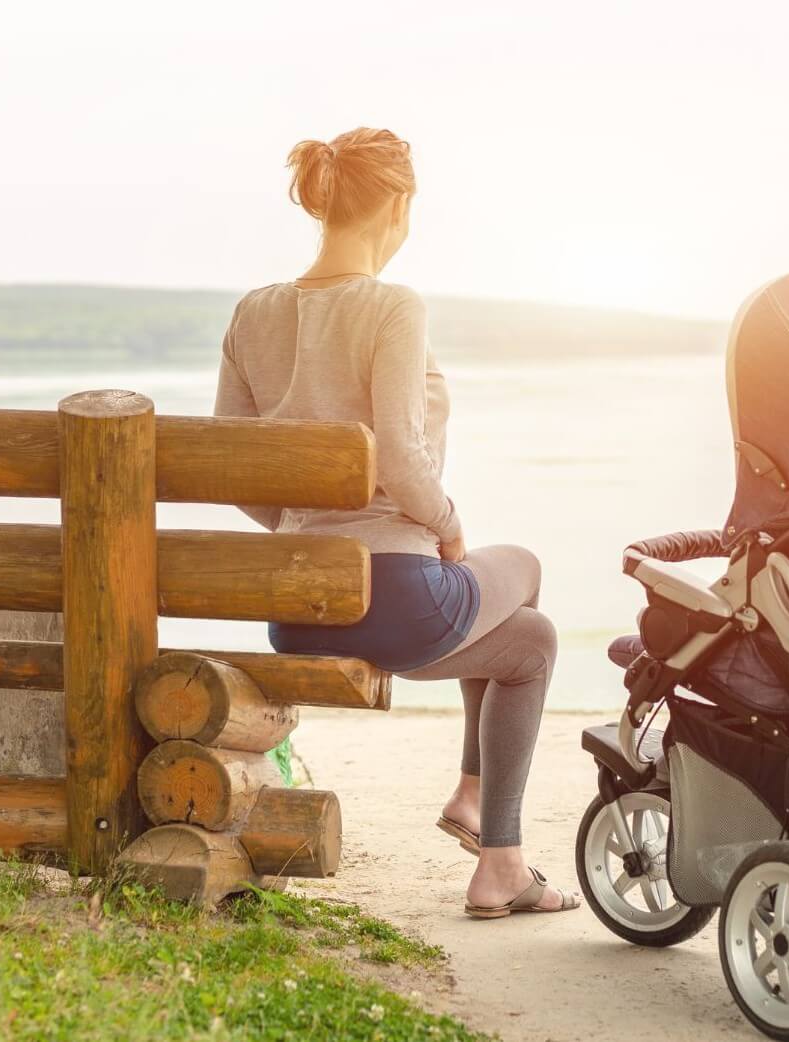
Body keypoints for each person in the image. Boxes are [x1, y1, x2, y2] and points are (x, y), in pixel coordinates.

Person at [214, 127, 577, 918]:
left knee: (530, 637)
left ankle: (486, 824)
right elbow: (404, 462)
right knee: (524, 578)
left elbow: (231, 467)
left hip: (296, 612)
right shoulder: (391, 307)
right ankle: (490, 838)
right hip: (395, 601)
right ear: (399, 206)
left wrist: (300, 526)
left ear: (321, 201)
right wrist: (448, 527)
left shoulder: (253, 313)